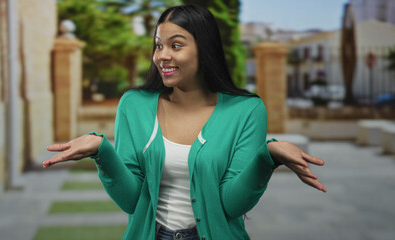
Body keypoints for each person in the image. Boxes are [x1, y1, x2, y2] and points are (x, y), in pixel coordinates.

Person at [43, 4, 326, 240]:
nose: (162, 56)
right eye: (158, 46)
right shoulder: (134, 106)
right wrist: (102, 152)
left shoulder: (246, 111)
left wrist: (268, 157)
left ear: (204, 50)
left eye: (176, 45)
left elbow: (232, 204)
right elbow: (131, 200)